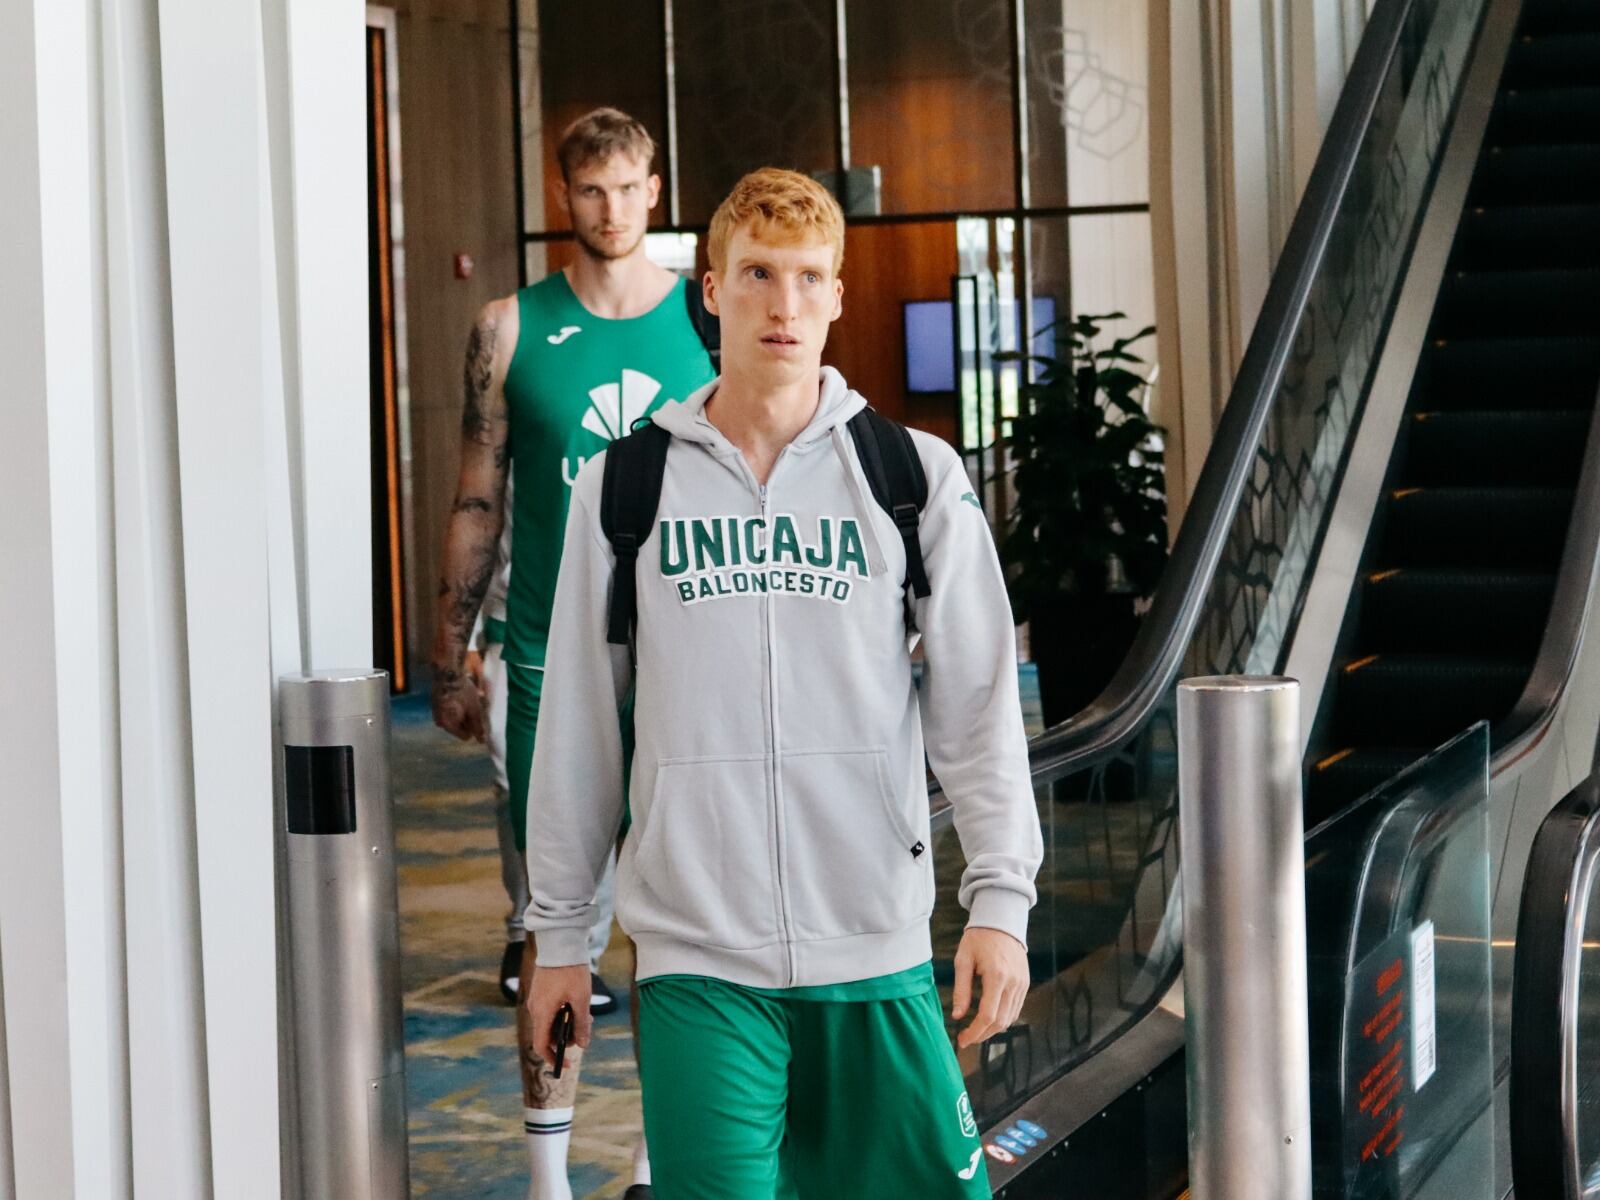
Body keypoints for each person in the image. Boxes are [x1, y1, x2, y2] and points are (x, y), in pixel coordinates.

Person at [522, 167, 1044, 1199]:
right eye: (757, 273)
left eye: (810, 278)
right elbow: (581, 727)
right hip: (697, 954)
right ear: (709, 290)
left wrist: (1000, 899)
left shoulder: (912, 479)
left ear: (839, 297)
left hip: (872, 942)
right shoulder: (624, 489)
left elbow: (977, 707)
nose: (784, 303)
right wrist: (556, 936)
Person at [430, 107, 714, 1200]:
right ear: (565, 197)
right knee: (558, 929)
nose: (611, 208)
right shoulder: (507, 329)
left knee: (678, 930)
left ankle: (652, 1164)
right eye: (590, 190)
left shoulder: (706, 315)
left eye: (629, 187)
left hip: (682, 664)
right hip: (549, 657)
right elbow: (476, 494)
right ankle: (549, 1175)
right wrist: (448, 651)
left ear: (655, 189)